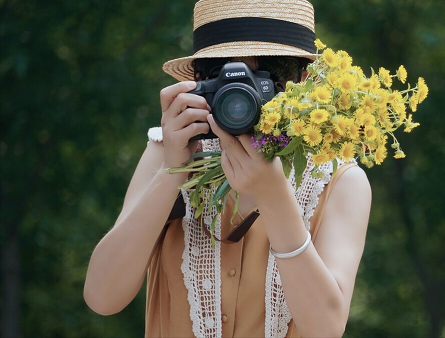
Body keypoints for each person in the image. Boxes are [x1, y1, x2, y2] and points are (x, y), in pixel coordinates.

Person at [83, 0, 372, 337]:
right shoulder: (168, 151)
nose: (243, 91)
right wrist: (172, 171)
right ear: (198, 79)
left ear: (303, 79)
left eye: (270, 71)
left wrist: (275, 196)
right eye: (222, 70)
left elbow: (326, 330)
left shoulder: (338, 180)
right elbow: (102, 298)